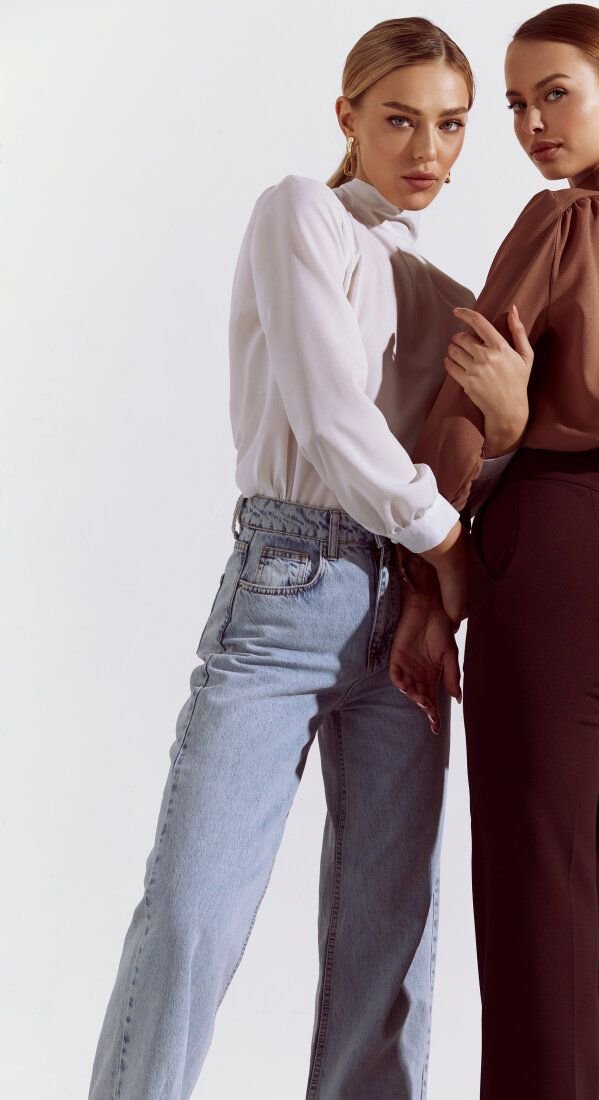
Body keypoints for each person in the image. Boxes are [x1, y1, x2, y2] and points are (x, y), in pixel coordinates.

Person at [88, 18, 520, 1099]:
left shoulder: (443, 290)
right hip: (290, 584)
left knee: (391, 935)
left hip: (407, 610)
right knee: (194, 913)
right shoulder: (300, 214)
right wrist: (446, 540)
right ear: (347, 118)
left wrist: (508, 425)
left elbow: (482, 450)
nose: (427, 150)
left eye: (452, 126)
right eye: (400, 120)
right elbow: (331, 419)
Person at [389, 5, 599, 1097]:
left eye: (556, 94)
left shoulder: (564, 220)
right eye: (516, 105)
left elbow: (461, 399)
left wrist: (428, 586)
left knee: (537, 913)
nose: (533, 125)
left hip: (555, 568)